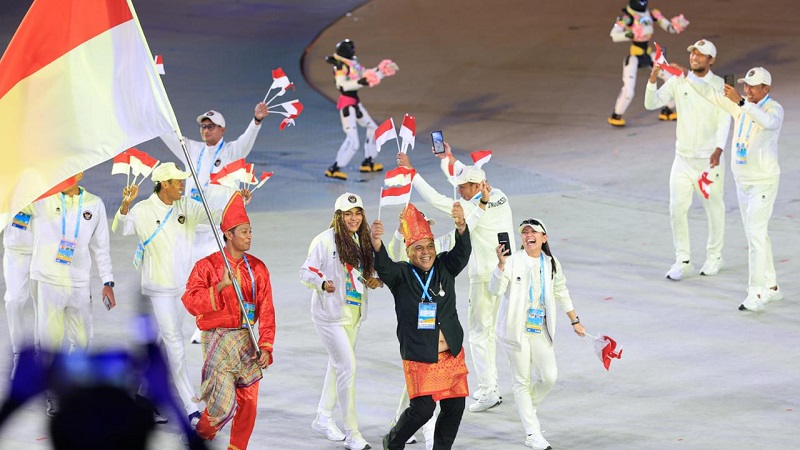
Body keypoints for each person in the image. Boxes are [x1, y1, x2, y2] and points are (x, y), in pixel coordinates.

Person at [113, 162, 242, 424]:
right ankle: (191, 408)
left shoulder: (186, 207)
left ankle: (141, 395)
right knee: (175, 345)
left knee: (162, 342)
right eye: (177, 181)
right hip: (159, 289)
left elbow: (215, 215)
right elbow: (121, 227)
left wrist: (237, 203)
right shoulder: (144, 209)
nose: (183, 184)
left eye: (182, 180)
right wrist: (125, 205)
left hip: (184, 290)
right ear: (163, 184)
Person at [398, 147, 514, 413]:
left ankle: (488, 391)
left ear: (475, 186)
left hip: (484, 275)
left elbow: (436, 197)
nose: (458, 191)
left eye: (462, 188)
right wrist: (447, 160)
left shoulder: (472, 206)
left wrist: (411, 172)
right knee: (491, 333)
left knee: (478, 335)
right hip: (506, 271)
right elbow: (464, 175)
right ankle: (493, 385)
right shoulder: (499, 196)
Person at [679, 66, 784, 311]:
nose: (746, 90)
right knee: (756, 234)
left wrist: (742, 103)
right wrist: (687, 75)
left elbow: (767, 123)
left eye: (752, 87)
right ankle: (772, 286)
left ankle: (756, 293)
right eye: (745, 86)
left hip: (763, 183)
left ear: (765, 89)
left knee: (756, 236)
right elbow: (709, 93)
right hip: (743, 183)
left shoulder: (773, 108)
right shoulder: (740, 105)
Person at [162, 104, 268, 344]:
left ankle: (204, 326)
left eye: (211, 127)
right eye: (203, 126)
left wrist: (256, 121)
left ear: (222, 129)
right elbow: (170, 136)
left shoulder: (231, 152)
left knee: (215, 277)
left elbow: (246, 142)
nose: (206, 130)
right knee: (185, 277)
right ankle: (177, 323)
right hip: (189, 225)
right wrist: (157, 115)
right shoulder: (191, 149)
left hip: (213, 227)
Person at [371, 203, 471, 450]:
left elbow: (463, 253)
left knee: (455, 406)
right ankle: (393, 441)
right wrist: (376, 243)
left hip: (451, 354)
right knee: (423, 409)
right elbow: (383, 267)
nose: (426, 253)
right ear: (408, 250)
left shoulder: (445, 266)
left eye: (429, 247)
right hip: (420, 355)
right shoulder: (401, 275)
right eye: (419, 248)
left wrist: (461, 227)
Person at [182, 191, 275, 450]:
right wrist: (219, 288)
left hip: (246, 339)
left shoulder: (257, 269)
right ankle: (197, 439)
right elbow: (189, 301)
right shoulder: (207, 267)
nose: (249, 236)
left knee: (249, 401)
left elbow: (267, 310)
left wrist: (266, 346)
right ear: (229, 234)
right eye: (244, 231)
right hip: (217, 338)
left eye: (250, 231)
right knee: (221, 407)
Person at [20, 172, 115, 416]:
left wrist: (108, 282)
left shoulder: (94, 204)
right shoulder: (41, 198)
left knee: (82, 340)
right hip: (49, 281)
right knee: (50, 340)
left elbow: (101, 247)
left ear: (81, 173)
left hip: (79, 283)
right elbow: (14, 198)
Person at [488, 218, 586, 450]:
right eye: (524, 232)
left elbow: (561, 290)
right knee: (522, 381)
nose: (528, 235)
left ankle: (526, 408)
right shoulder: (512, 261)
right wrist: (500, 265)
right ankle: (532, 433)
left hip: (539, 326)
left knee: (549, 376)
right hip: (515, 330)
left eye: (533, 232)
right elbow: (495, 290)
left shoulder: (551, 263)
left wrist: (575, 320)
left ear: (544, 238)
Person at [299, 192, 382, 450]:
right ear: (338, 216)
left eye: (357, 213)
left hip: (354, 314)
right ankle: (353, 434)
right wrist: (322, 283)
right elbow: (305, 271)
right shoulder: (324, 241)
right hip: (329, 316)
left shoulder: (363, 240)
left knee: (337, 366)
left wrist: (375, 279)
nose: (353, 218)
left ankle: (323, 416)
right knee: (348, 368)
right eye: (348, 214)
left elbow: (371, 271)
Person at [643, 39, 731, 280]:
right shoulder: (678, 80)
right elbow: (651, 103)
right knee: (677, 209)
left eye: (701, 55)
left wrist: (719, 149)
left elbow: (725, 119)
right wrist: (653, 77)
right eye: (693, 53)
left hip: (708, 161)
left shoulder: (721, 85)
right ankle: (682, 260)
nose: (695, 57)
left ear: (711, 60)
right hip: (682, 160)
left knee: (714, 209)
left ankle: (715, 256)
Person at [323, 39, 397, 180]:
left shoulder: (352, 65)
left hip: (355, 104)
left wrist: (381, 70)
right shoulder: (341, 67)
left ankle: (368, 161)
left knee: (374, 130)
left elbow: (365, 73)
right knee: (353, 140)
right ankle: (335, 168)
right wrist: (360, 82)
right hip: (347, 105)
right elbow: (342, 85)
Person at [607, 0, 688, 127]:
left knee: (672, 80)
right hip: (634, 56)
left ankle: (667, 109)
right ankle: (616, 115)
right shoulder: (627, 18)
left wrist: (677, 25)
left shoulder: (652, 14)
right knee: (628, 90)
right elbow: (614, 35)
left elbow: (669, 27)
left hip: (649, 55)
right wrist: (630, 33)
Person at [3, 211, 37, 379]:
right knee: (14, 300)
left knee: (45, 304)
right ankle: (18, 353)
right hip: (15, 251)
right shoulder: (9, 186)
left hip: (44, 250)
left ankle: (42, 356)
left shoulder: (48, 186)